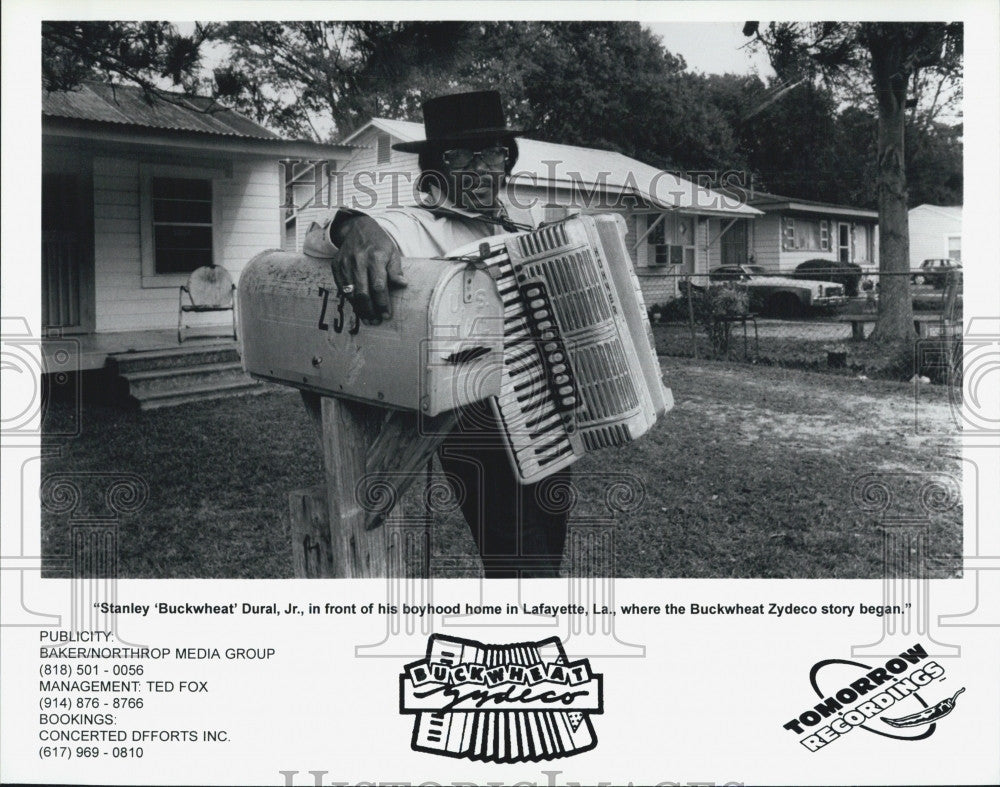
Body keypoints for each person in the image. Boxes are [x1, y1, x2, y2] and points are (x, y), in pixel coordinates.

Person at [304, 90, 569, 579]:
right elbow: (317, 233)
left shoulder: (520, 224)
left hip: (543, 409)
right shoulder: (413, 227)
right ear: (435, 168)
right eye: (462, 155)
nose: (484, 168)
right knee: (520, 560)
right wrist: (354, 225)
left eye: (494, 153)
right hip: (474, 418)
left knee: (548, 547)